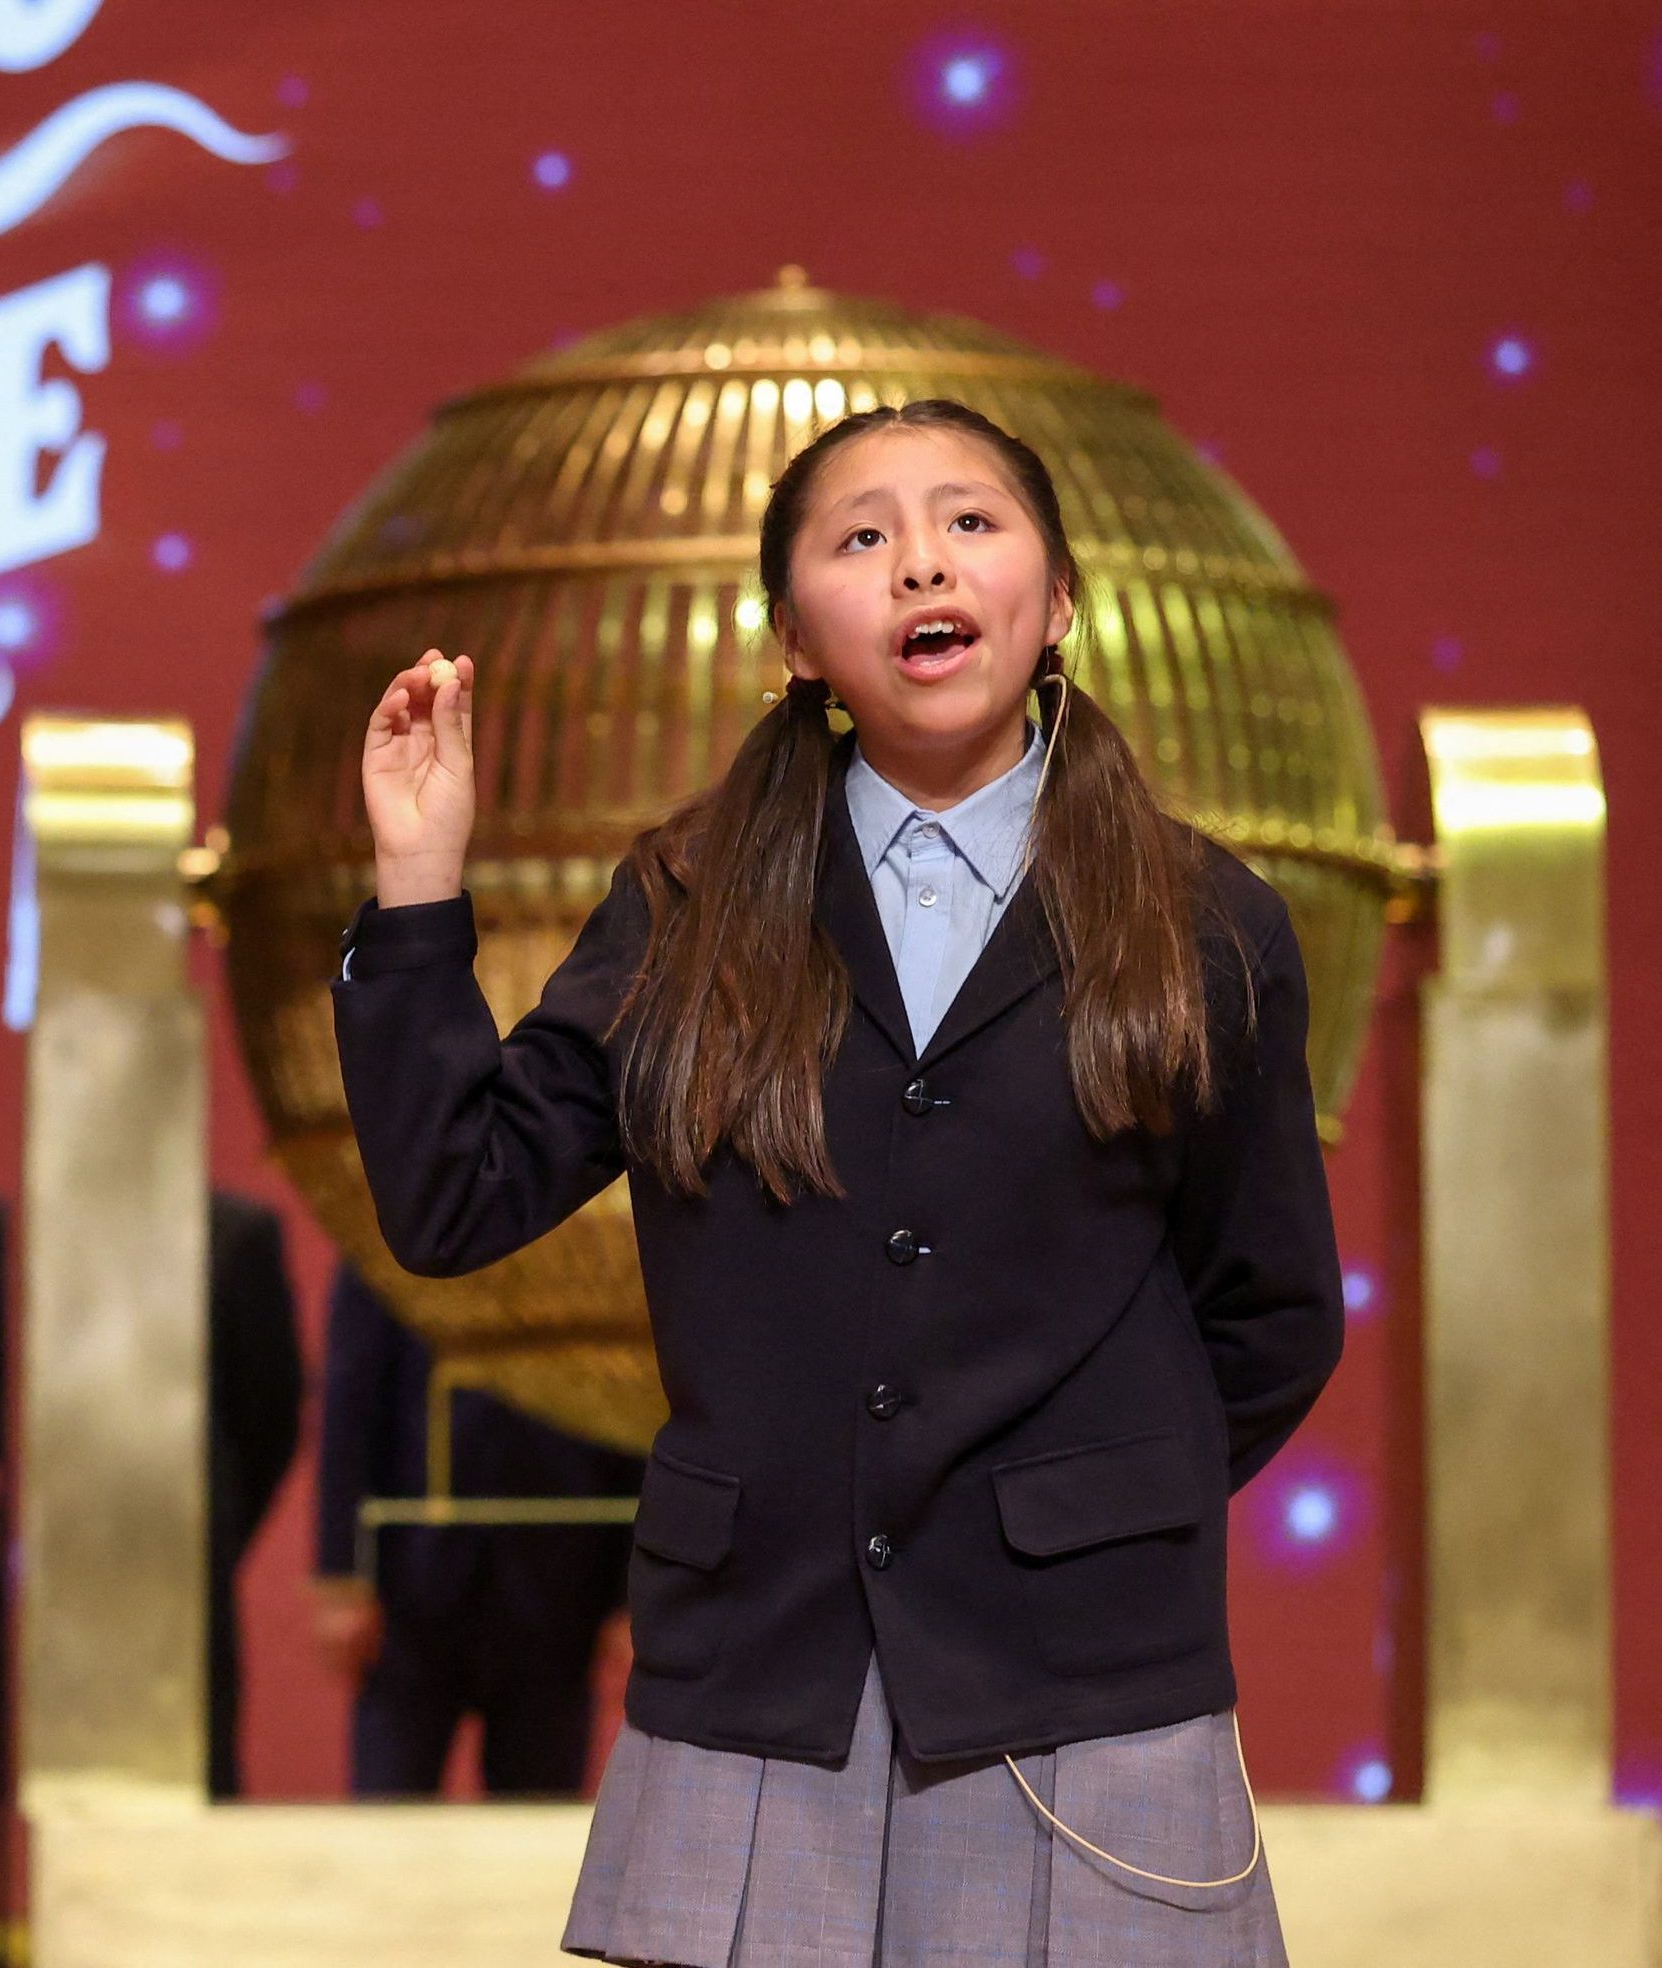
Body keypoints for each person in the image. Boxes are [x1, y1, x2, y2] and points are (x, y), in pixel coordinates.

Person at [338, 399, 1340, 1966]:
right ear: (797, 642)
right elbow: (457, 1196)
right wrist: (416, 883)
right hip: (765, 1671)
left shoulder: (1206, 922)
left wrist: (1088, 1512)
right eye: (862, 538)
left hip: (1079, 1683)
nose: (921, 561)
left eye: (970, 521)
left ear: (1058, 602)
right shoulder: (685, 907)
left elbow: (1268, 1313)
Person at [0, 1191, 304, 1799]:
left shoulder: (237, 1236)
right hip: (47, 1562)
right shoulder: (7, 1234)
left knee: (196, 1775)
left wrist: (212, 1522)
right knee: (39, 1784)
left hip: (184, 1563)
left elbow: (271, 1410)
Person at [309, 1261, 637, 1797]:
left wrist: (633, 1591)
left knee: (539, 1819)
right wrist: (342, 1575)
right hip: (408, 1586)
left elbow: (635, 1413)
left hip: (561, 1584)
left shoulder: (598, 1243)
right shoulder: (381, 1235)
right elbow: (348, 1407)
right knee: (385, 1819)